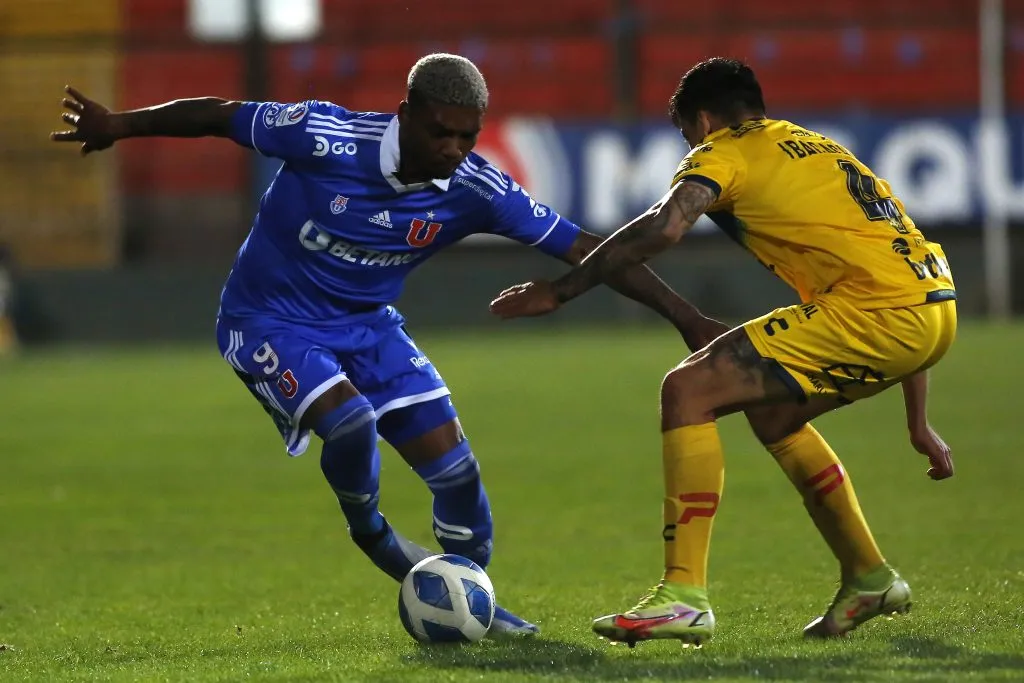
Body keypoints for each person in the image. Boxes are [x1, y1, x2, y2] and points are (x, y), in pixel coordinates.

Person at [50, 53, 720, 637]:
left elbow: (585, 247)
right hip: (268, 320)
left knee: (457, 473)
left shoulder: (476, 187)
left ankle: (466, 593)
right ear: (405, 113)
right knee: (349, 420)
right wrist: (119, 126)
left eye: (467, 135)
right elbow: (218, 115)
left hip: (369, 325)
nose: (454, 147)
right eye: (440, 131)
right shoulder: (325, 135)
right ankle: (371, 531)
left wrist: (684, 316)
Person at [490, 57, 956, 646]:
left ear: (703, 119)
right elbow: (901, 264)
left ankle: (683, 595)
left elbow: (665, 225)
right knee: (772, 412)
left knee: (687, 389)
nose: (689, 145)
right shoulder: (819, 148)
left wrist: (560, 291)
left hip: (877, 313)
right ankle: (868, 575)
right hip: (932, 312)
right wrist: (917, 421)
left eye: (687, 133)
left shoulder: (724, 150)